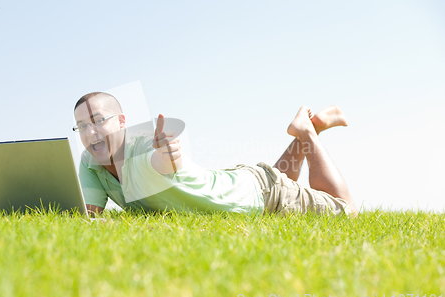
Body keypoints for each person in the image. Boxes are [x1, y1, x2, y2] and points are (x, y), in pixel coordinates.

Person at [73, 92, 357, 217]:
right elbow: (92, 218)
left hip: (261, 196)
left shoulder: (143, 146)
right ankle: (315, 124)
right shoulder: (90, 163)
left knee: (347, 211)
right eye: (83, 126)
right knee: (277, 177)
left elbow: (162, 160)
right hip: (244, 181)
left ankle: (307, 131)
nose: (91, 132)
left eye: (99, 121)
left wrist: (168, 152)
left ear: (122, 122)